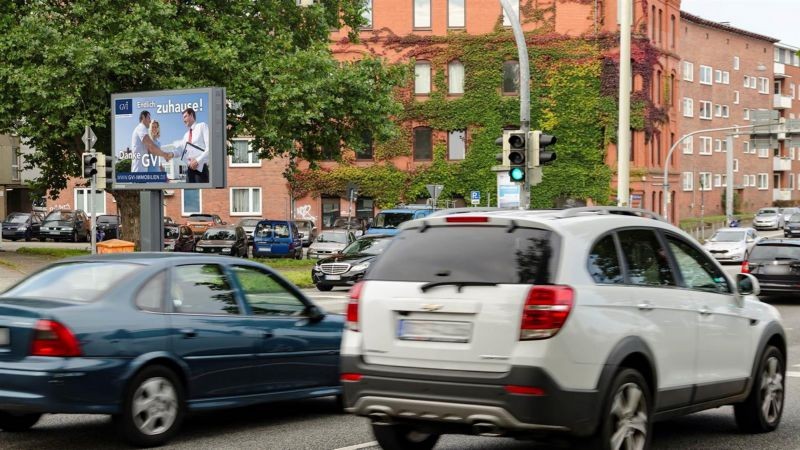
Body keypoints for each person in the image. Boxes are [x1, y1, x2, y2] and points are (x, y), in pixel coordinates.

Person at [179, 107, 210, 183]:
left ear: (191, 115)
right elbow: (181, 151)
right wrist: (171, 154)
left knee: (202, 194)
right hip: (190, 170)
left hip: (201, 169)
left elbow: (210, 148)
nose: (183, 120)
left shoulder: (202, 126)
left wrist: (197, 161)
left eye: (185, 116)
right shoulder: (186, 135)